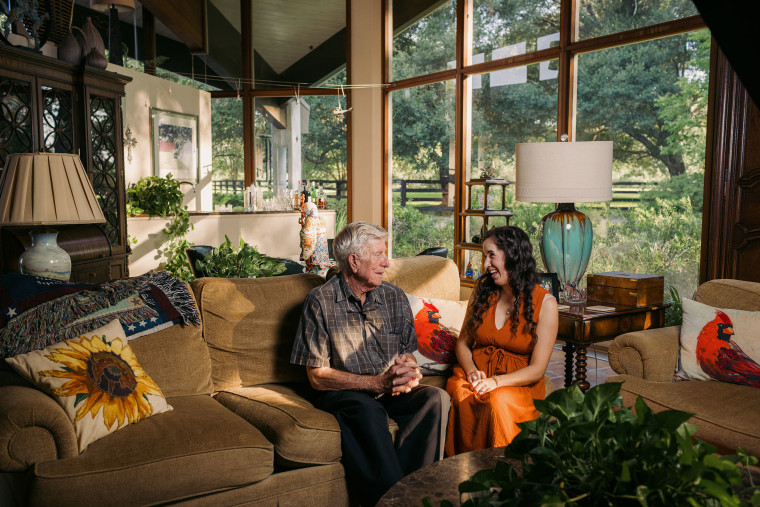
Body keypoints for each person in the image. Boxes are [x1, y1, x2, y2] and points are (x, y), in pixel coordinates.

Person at [291, 221, 448, 506]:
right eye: (378, 254)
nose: (386, 263)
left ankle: (414, 495)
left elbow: (408, 352)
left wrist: (407, 369)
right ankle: (392, 502)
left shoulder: (394, 296)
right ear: (354, 261)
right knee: (366, 409)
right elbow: (316, 376)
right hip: (346, 392)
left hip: (389, 387)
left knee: (435, 399)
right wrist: (376, 383)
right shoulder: (320, 302)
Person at [445, 225, 558, 456]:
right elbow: (463, 343)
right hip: (477, 375)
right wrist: (472, 371)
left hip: (516, 383)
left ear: (513, 255)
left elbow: (537, 370)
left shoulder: (546, 304)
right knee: (460, 392)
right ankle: (461, 470)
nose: (485, 265)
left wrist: (496, 382)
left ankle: (504, 473)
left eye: (491, 255)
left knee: (498, 401)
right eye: (484, 256)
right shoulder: (482, 291)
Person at [299, 201, 331, 276]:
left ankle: (315, 271)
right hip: (322, 243)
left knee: (315, 261)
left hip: (315, 244)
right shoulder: (320, 218)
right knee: (322, 258)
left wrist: (302, 231)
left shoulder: (310, 219)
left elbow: (306, 233)